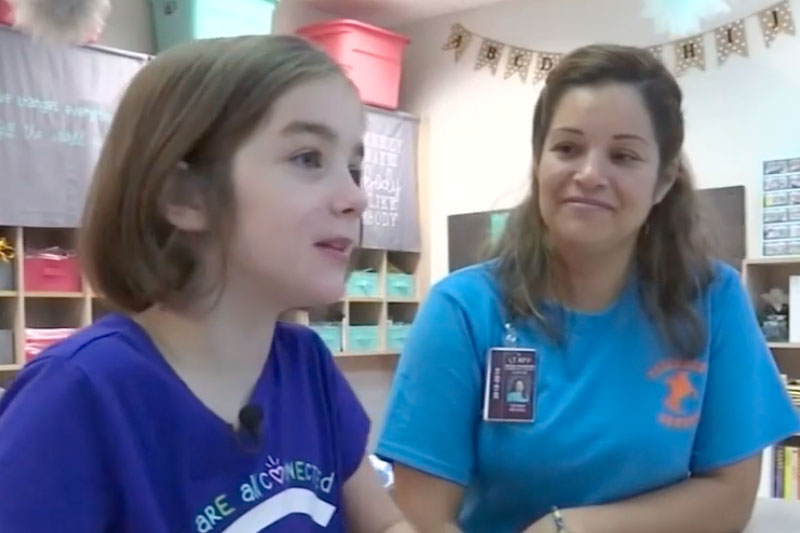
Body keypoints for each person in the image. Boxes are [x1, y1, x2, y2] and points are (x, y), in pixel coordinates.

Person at [376, 43, 800, 533]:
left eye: (623, 156)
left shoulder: (712, 298)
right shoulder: (463, 310)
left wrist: (571, 528)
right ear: (538, 161)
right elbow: (423, 517)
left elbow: (729, 499)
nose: (590, 175)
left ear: (663, 181)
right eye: (567, 148)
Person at [0, 35, 414, 533]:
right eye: (308, 158)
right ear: (184, 196)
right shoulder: (76, 395)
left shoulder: (306, 364)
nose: (356, 198)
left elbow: (386, 525)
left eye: (354, 168)